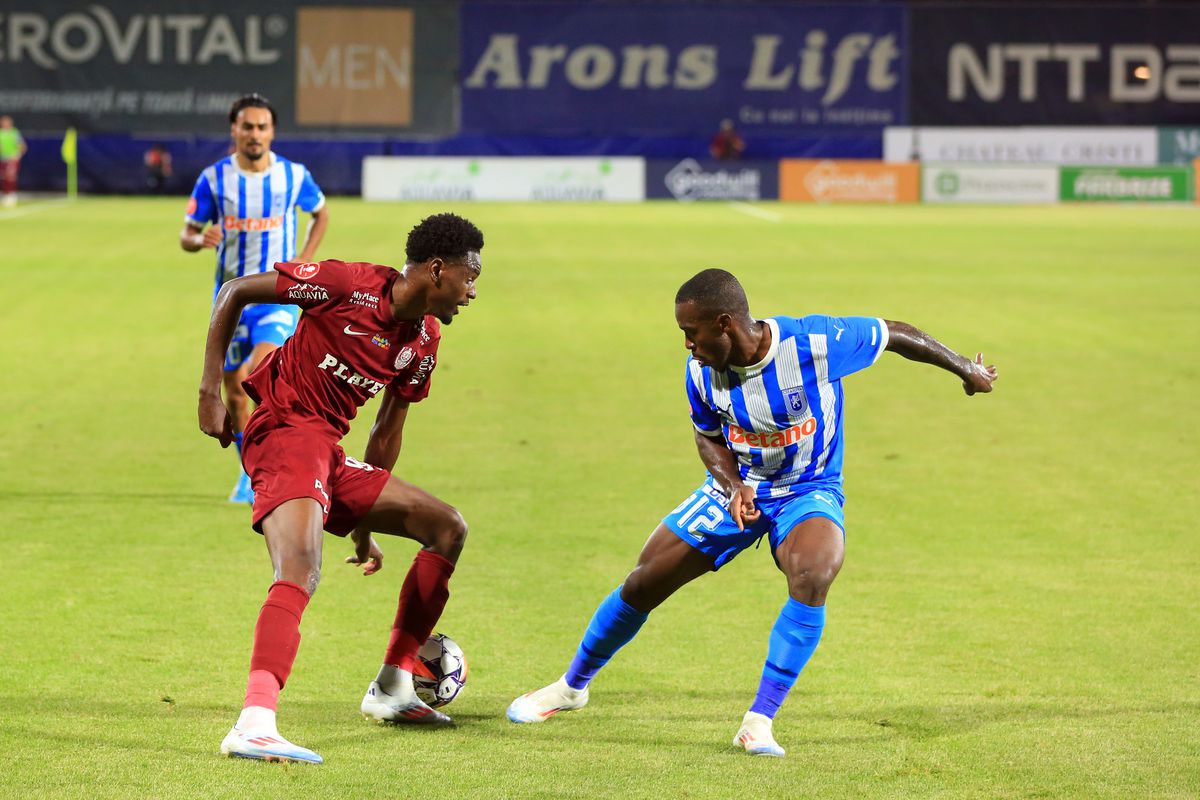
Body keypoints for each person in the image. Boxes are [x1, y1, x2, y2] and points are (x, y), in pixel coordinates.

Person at [507, 268, 998, 757]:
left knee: (815, 570)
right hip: (738, 488)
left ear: (725, 323)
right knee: (643, 582)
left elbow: (897, 334)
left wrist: (966, 369)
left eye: (690, 332)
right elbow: (708, 435)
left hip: (808, 488)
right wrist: (732, 484)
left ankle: (758, 721)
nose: (687, 345)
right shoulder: (701, 368)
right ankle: (571, 687)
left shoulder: (813, 343)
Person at [198, 212, 485, 764]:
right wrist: (211, 389)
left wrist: (361, 529)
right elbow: (235, 291)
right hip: (283, 431)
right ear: (436, 269)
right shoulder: (345, 284)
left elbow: (386, 431)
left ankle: (394, 686)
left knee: (446, 528)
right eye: (469, 278)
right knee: (300, 569)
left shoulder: (423, 339)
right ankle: (255, 722)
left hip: (327, 451)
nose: (472, 293)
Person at [182, 93, 330, 504]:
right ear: (234, 130)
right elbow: (186, 233)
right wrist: (199, 238)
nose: (255, 134)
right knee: (232, 392)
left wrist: (304, 258)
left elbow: (321, 212)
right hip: (229, 301)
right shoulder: (214, 179)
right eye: (247, 126)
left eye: (262, 127)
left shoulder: (293, 176)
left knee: (262, 373)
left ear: (272, 132)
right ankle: (249, 470)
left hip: (276, 296)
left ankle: (275, 470)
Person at [0, 115, 27, 208]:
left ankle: (12, 196)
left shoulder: (14, 133)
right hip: (2, 159)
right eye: (3, 122)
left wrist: (17, 155)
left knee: (10, 177)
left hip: (12, 159)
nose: (5, 124)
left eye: (7, 122)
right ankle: (5, 195)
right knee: (3, 178)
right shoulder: (0, 133)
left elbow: (22, 146)